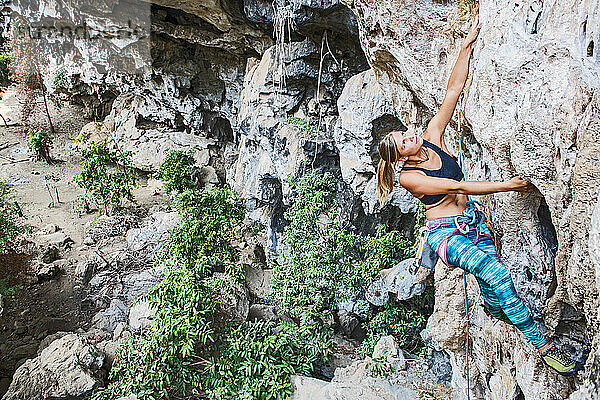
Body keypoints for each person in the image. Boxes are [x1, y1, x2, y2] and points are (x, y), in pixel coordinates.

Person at [375, 14, 581, 376]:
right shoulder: (411, 178)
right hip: (445, 236)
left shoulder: (433, 136)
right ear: (401, 157)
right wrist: (509, 185)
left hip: (473, 223)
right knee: (500, 277)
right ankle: (544, 347)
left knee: (492, 287)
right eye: (403, 140)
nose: (410, 135)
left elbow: (452, 92)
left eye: (405, 133)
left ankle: (493, 304)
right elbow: (458, 186)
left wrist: (466, 45)